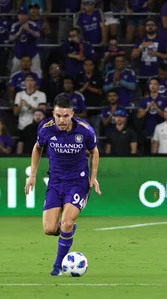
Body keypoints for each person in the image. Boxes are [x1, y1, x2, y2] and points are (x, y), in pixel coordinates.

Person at [24, 96, 101, 276]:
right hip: (55, 182)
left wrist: (93, 177)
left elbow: (94, 151)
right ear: (53, 114)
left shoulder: (85, 130)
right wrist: (32, 175)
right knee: (49, 229)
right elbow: (37, 148)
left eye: (66, 116)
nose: (62, 120)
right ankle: (69, 230)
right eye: (58, 115)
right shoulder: (46, 128)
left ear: (72, 114)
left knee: (66, 222)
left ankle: (58, 266)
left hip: (78, 182)